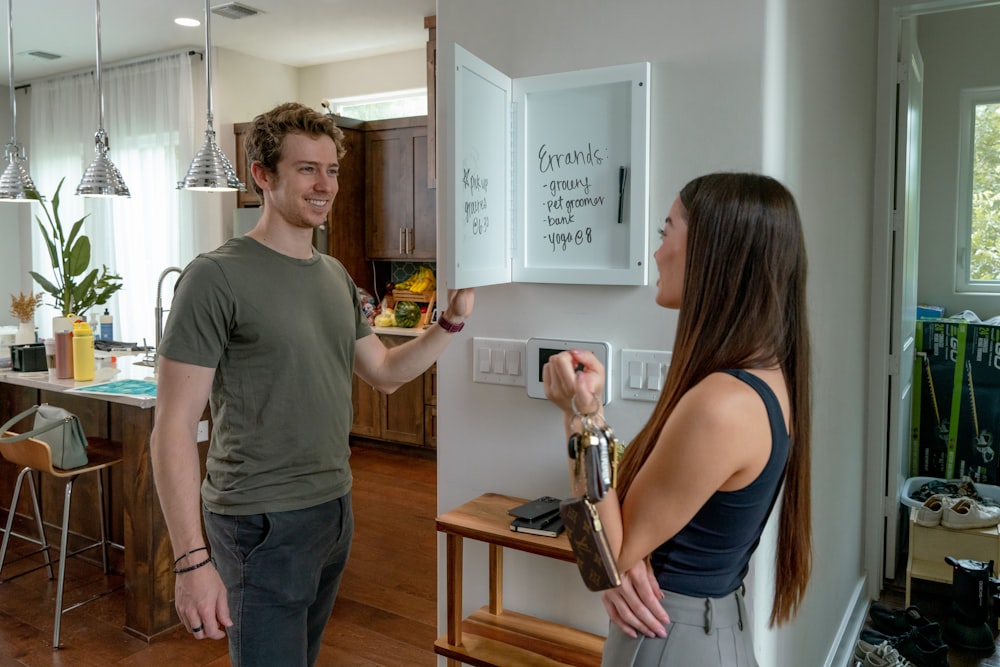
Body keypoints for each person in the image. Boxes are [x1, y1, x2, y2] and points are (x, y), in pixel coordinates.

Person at [149, 101, 474, 667]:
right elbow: (173, 428)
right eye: (306, 169)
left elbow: (385, 373)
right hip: (259, 521)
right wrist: (191, 562)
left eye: (333, 170)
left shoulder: (334, 276)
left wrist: (451, 321)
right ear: (262, 176)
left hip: (333, 510)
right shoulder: (215, 277)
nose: (325, 185)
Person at [542, 172, 811, 666]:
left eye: (667, 230)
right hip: (710, 625)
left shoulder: (721, 404)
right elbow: (632, 535)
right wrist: (631, 546)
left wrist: (581, 419)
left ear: (714, 254)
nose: (658, 249)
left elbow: (600, 560)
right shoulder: (765, 379)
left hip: (668, 636)